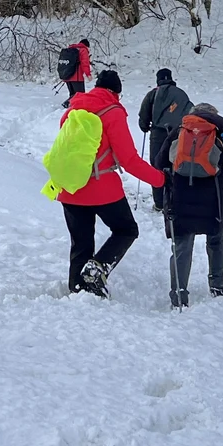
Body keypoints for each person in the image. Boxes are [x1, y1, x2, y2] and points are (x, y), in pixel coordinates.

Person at [55, 70, 165, 297]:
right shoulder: (112, 112)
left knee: (81, 243)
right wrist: (160, 179)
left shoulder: (71, 110)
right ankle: (96, 270)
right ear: (116, 93)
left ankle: (78, 291)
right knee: (126, 230)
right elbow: (129, 160)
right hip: (102, 188)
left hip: (69, 186)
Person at [164, 102, 223, 306]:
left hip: (181, 196)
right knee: (216, 240)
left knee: (182, 245)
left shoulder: (181, 131)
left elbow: (160, 160)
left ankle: (179, 294)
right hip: (215, 198)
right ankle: (217, 285)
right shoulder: (222, 133)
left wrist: (162, 195)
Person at [136, 67, 192, 172]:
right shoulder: (181, 94)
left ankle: (158, 187)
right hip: (178, 134)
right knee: (176, 163)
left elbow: (144, 114)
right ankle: (173, 186)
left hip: (158, 134)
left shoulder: (152, 94)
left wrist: (144, 126)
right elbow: (190, 112)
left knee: (157, 165)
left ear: (158, 80)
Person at [58, 37, 94, 106]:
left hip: (68, 75)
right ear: (87, 45)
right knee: (80, 95)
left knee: (73, 94)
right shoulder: (83, 50)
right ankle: (67, 104)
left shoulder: (71, 49)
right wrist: (88, 74)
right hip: (77, 77)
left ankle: (70, 105)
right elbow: (85, 63)